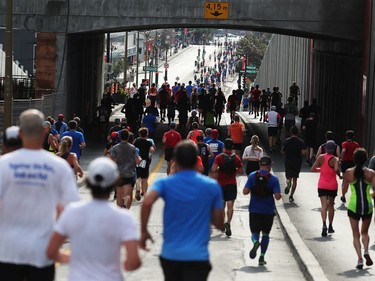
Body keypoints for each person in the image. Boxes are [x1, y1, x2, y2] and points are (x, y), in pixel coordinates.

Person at [0, 109, 79, 281]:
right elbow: (71, 212)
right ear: (45, 131)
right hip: (42, 251)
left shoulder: (3, 165)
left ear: (20, 133)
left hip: (7, 251)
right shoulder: (59, 167)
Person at [140, 141, 224, 281]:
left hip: (171, 255)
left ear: (175, 161)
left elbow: (147, 201)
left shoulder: (165, 183)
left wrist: (143, 230)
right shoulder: (211, 186)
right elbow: (220, 224)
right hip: (198, 256)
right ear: (197, 161)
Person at [46, 157, 141, 280]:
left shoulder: (72, 211)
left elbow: (51, 252)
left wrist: (73, 259)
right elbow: (133, 262)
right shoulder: (124, 218)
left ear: (89, 181)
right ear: (114, 182)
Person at [243, 156, 281, 266]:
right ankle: (262, 257)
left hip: (254, 209)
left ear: (259, 165)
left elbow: (245, 191)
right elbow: (277, 197)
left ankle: (255, 242)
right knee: (265, 234)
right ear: (270, 166)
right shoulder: (274, 179)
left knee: (254, 232)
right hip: (268, 210)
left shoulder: (252, 176)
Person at [342, 148, 374, 269]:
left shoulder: (349, 172)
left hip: (353, 206)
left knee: (355, 234)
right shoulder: (371, 173)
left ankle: (360, 259)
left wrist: (343, 195)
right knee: (364, 232)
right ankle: (366, 250)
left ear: (354, 159)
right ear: (366, 159)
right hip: (367, 206)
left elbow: (344, 189)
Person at [211, 138, 243, 237]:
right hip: (231, 184)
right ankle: (228, 222)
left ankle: (223, 222)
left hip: (220, 184)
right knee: (230, 206)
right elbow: (241, 170)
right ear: (232, 147)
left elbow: (213, 169)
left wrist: (220, 169)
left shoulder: (219, 157)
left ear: (224, 146)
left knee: (222, 206)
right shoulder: (236, 158)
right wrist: (234, 172)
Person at [311, 140, 341, 237]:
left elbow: (313, 169)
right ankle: (330, 226)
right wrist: (339, 175)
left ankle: (324, 225)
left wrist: (321, 169)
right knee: (331, 206)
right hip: (332, 185)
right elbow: (336, 169)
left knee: (323, 205)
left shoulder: (320, 157)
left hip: (322, 185)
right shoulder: (335, 159)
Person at [110, 129, 141, 209]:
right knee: (128, 194)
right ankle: (126, 209)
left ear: (120, 137)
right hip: (130, 173)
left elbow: (110, 161)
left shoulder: (114, 148)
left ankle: (120, 211)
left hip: (119, 174)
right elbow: (137, 161)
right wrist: (139, 160)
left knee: (119, 195)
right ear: (128, 137)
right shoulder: (133, 148)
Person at [281, 126, 306, 203]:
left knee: (289, 176)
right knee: (295, 179)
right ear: (297, 132)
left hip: (288, 161)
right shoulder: (301, 142)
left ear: (291, 132)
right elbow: (303, 152)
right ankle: (291, 196)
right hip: (297, 162)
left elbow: (282, 151)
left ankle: (288, 182)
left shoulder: (286, 141)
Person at [134, 127, 155, 201]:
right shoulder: (149, 142)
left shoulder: (136, 141)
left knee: (138, 177)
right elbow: (152, 150)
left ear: (139, 134)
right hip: (145, 161)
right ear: (147, 134)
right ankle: (145, 194)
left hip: (137, 160)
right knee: (145, 178)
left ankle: (137, 190)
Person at [340, 130, 360, 203]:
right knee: (353, 180)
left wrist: (341, 159)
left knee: (345, 180)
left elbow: (344, 151)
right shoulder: (356, 144)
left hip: (345, 163)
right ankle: (354, 195)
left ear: (346, 137)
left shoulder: (344, 144)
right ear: (353, 137)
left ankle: (343, 195)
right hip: (353, 163)